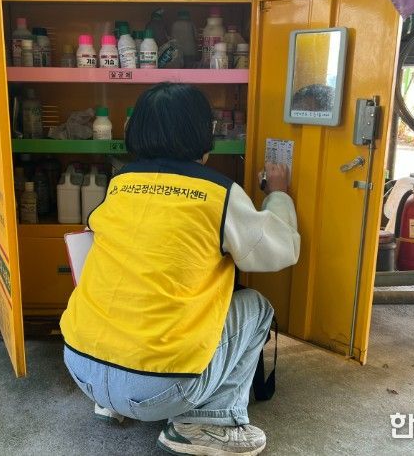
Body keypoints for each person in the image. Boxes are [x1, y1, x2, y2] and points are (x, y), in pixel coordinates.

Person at [60, 83, 300, 456]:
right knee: (255, 306)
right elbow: (280, 250)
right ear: (205, 135)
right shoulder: (219, 192)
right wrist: (278, 194)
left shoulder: (119, 184)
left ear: (135, 132)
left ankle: (110, 403)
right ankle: (207, 424)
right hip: (157, 387)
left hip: (82, 367)